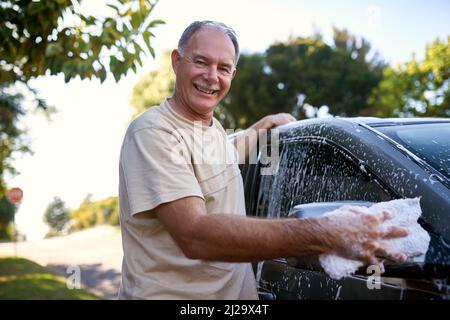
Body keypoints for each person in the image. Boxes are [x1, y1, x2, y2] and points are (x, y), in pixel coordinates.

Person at [118, 20, 408, 300]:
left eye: (224, 68)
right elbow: (194, 235)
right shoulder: (154, 132)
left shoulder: (211, 128)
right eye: (201, 62)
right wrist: (325, 232)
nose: (211, 77)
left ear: (233, 74)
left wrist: (261, 127)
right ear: (176, 61)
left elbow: (224, 159)